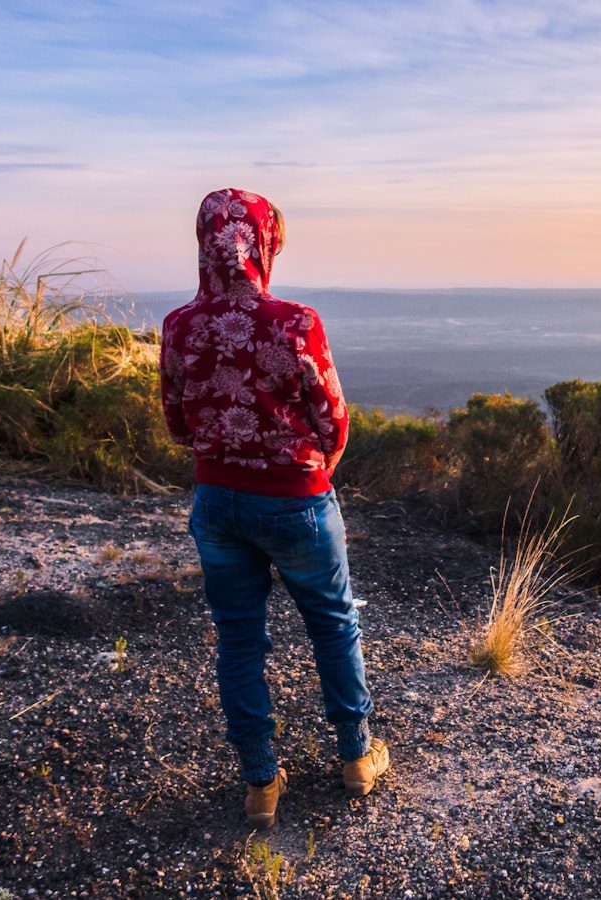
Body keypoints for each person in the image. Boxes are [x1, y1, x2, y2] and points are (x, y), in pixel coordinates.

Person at [159, 188, 389, 829]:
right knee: (334, 624)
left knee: (238, 640)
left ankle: (261, 783)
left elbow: (177, 423)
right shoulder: (297, 323)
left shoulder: (179, 326)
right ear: (265, 244)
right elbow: (334, 420)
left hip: (216, 501)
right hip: (296, 502)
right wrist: (313, 468)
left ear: (205, 242)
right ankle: (356, 757)